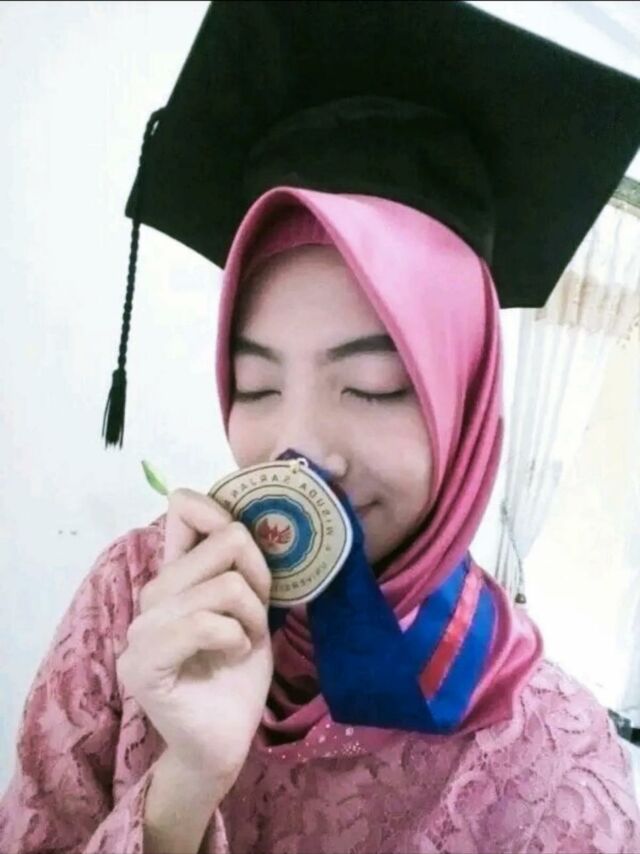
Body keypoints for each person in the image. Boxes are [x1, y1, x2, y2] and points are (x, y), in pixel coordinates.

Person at [2, 2, 640, 852]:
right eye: (257, 385)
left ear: (466, 405)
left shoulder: (550, 770)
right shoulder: (132, 597)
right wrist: (182, 789)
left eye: (373, 387)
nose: (299, 448)